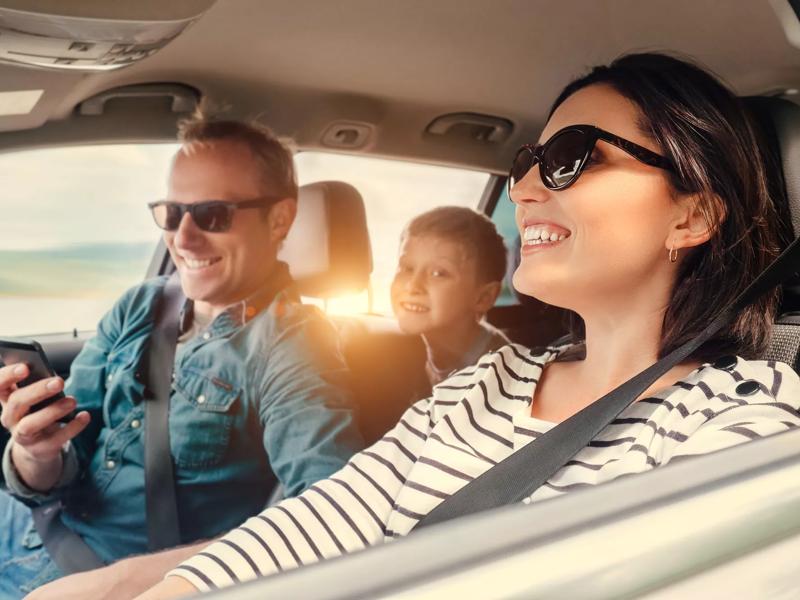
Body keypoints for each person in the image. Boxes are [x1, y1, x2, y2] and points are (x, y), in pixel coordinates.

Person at [34, 52, 800, 600]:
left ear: (693, 213)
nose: (527, 187)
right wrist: (168, 585)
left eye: (570, 159)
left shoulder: (744, 422)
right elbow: (331, 518)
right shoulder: (489, 385)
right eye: (530, 159)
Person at [0, 111, 365, 598]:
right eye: (172, 213)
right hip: (24, 526)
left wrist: (118, 584)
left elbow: (328, 515)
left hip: (105, 577)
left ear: (280, 219)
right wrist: (34, 453)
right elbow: (71, 450)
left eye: (213, 215)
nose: (183, 239)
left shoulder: (293, 345)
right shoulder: (140, 304)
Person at [390, 206, 509, 389]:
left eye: (438, 273)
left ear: (484, 297)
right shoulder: (414, 352)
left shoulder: (497, 375)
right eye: (407, 268)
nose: (412, 286)